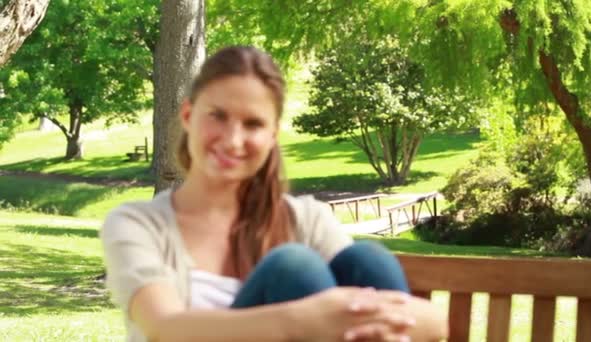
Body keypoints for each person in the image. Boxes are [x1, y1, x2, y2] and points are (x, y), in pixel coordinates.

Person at [101, 46, 448, 342]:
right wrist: (305, 318)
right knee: (293, 269)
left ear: (272, 135)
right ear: (189, 115)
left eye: (253, 124)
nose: (233, 139)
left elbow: (435, 324)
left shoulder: (305, 219)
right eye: (217, 116)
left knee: (367, 260)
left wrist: (360, 318)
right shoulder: (137, 223)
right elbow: (165, 327)